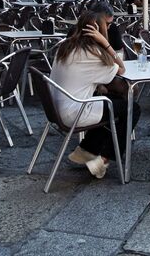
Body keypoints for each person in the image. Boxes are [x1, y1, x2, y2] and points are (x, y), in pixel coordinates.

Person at [51, 11, 136, 179]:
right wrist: (105, 43)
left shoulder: (65, 46)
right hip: (74, 112)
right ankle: (103, 159)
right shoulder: (92, 54)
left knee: (115, 103)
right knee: (132, 108)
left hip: (55, 108)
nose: (110, 29)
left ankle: (87, 149)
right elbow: (121, 68)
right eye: (108, 27)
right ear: (97, 31)